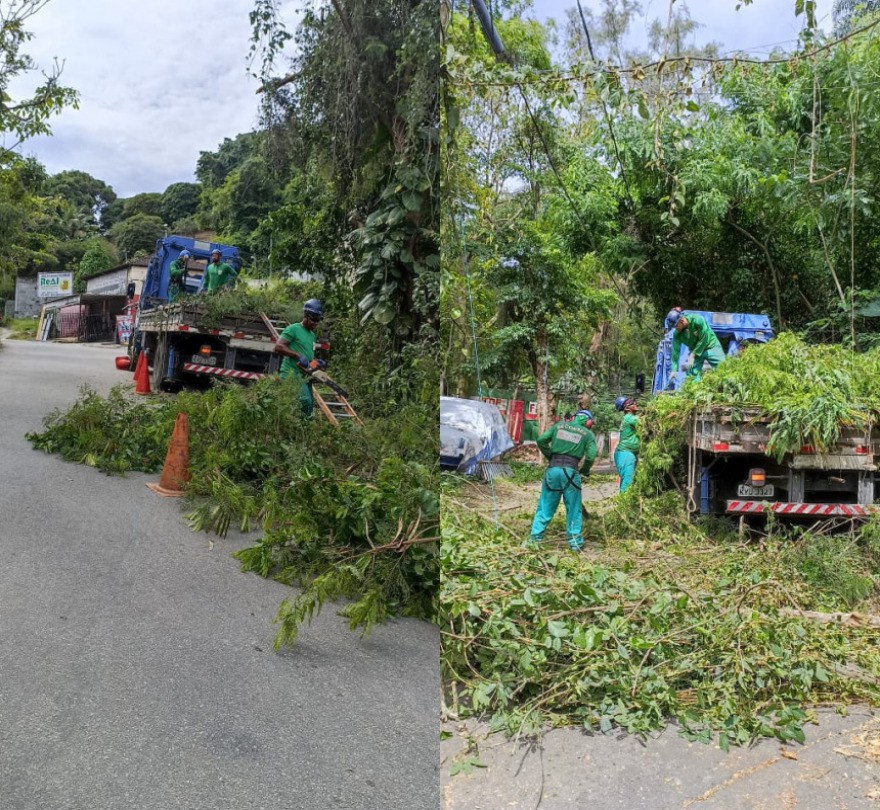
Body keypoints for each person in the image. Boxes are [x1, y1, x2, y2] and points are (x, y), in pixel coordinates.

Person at [527, 409, 597, 553]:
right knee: (573, 508)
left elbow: (541, 440)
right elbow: (590, 456)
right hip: (571, 473)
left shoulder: (559, 426)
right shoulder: (588, 434)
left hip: (553, 470)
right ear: (588, 421)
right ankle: (575, 544)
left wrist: (550, 456)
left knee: (545, 506)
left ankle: (534, 540)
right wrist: (584, 470)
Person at [274, 299, 324, 418]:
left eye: (318, 320)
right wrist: (297, 355)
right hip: (291, 374)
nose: (315, 323)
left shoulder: (312, 335)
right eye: (313, 320)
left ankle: (302, 432)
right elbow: (278, 346)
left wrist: (316, 363)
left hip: (304, 376)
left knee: (310, 407)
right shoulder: (294, 329)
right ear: (305, 316)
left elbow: (307, 356)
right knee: (305, 402)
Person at [667, 308, 725, 382]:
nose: (676, 328)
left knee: (723, 367)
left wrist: (693, 354)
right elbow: (675, 352)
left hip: (711, 345)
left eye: (676, 326)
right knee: (692, 376)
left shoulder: (697, 320)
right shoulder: (677, 334)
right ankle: (695, 391)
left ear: (681, 320)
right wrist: (674, 370)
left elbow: (704, 338)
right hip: (696, 352)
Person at [613, 396, 640, 493]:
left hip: (627, 453)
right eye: (631, 403)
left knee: (628, 481)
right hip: (626, 453)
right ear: (626, 408)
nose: (635, 403)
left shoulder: (629, 418)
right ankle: (624, 506)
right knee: (628, 482)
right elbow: (644, 422)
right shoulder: (629, 418)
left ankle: (624, 504)